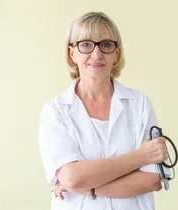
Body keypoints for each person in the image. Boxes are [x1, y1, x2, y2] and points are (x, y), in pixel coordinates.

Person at [38, 11, 170, 210]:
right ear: (72, 53)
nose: (97, 54)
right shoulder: (56, 110)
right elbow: (72, 178)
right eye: (85, 44)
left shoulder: (139, 103)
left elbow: (152, 181)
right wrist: (141, 157)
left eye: (106, 44)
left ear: (116, 53)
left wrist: (88, 188)